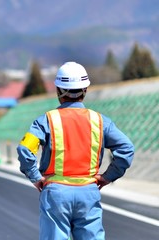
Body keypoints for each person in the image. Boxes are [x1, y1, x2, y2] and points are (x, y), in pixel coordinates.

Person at [17, 62, 134, 240]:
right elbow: (126, 148)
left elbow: (25, 149)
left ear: (58, 90)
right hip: (88, 191)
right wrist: (107, 177)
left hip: (56, 193)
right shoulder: (100, 121)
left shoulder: (46, 120)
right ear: (85, 90)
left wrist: (36, 177)